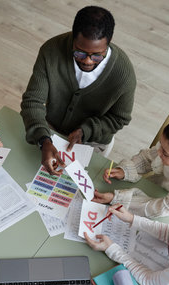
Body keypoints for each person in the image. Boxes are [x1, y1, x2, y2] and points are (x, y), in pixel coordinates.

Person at [20, 6, 136, 175]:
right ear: (73, 39)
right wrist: (43, 140)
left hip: (92, 140)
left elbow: (119, 119)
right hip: (48, 128)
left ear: (108, 44)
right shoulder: (51, 51)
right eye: (80, 53)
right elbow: (33, 101)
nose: (88, 61)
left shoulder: (123, 74)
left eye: (97, 55)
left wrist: (85, 131)